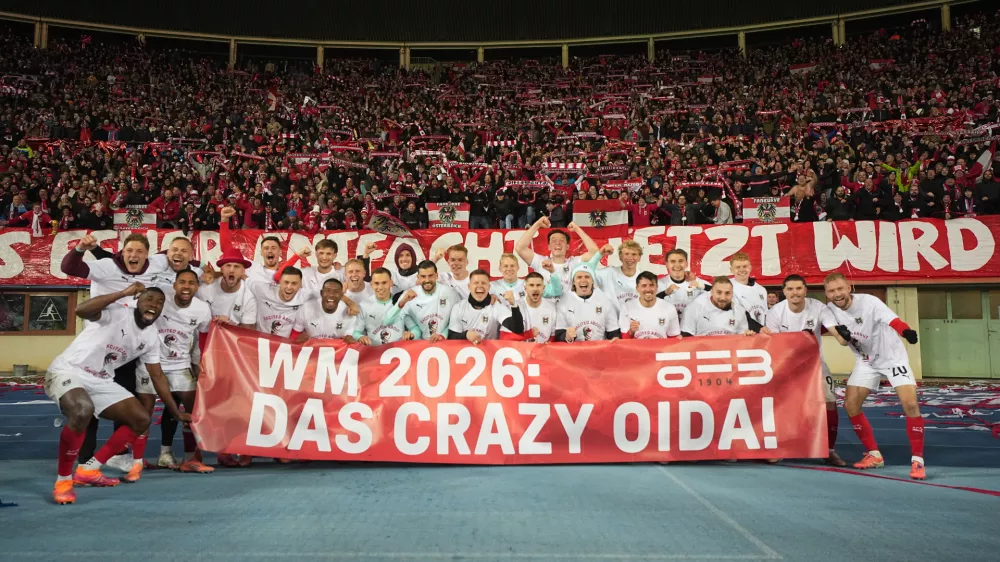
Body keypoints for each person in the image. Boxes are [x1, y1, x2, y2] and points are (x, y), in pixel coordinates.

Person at [43, 283, 189, 504]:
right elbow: (80, 310)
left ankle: (89, 470)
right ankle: (63, 481)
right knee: (83, 411)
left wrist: (174, 411)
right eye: (149, 299)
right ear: (137, 301)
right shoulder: (117, 311)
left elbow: (157, 376)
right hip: (69, 369)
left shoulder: (151, 338)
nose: (154, 305)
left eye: (160, 303)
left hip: (101, 380)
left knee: (141, 419)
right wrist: (122, 293)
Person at [821, 273, 925, 480]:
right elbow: (822, 330)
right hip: (866, 362)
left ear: (849, 287)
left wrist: (906, 332)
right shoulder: (829, 311)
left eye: (840, 289)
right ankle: (874, 454)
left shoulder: (869, 302)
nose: (837, 294)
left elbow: (892, 320)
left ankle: (918, 461)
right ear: (826, 294)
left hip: (892, 359)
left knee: (911, 404)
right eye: (832, 291)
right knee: (850, 405)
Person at [135, 269, 213, 475]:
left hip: (180, 364)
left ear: (197, 287)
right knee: (144, 415)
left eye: (191, 283)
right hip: (150, 363)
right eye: (182, 282)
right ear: (175, 285)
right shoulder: (160, 299)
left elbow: (202, 339)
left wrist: (199, 363)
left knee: (192, 411)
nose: (186, 287)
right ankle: (136, 461)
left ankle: (191, 459)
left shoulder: (203, 309)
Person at [765, 275, 845, 467]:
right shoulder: (776, 312)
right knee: (778, 406)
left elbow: (834, 329)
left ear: (805, 290)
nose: (795, 293)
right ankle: (779, 447)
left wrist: (844, 338)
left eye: (799, 288)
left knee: (830, 403)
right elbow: (773, 342)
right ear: (784, 291)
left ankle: (829, 450)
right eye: (790, 289)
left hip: (815, 363)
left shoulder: (818, 308)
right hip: (786, 365)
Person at [515, 217, 600, 296]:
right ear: (549, 246)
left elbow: (595, 252)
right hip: (545, 310)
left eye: (562, 240)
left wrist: (577, 229)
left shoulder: (574, 263)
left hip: (568, 310)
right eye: (554, 240)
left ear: (567, 246)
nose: (558, 243)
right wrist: (537, 224)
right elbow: (520, 248)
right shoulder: (541, 262)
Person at [386, 260, 462, 342]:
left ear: (436, 275)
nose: (427, 280)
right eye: (423, 276)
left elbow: (458, 320)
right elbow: (388, 321)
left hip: (447, 344)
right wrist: (412, 334)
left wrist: (443, 335)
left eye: (430, 276)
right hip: (422, 348)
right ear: (418, 277)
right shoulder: (409, 295)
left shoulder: (450, 292)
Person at [447, 269, 524, 343]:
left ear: (489, 287)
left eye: (483, 283)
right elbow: (451, 337)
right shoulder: (459, 307)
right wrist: (466, 335)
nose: (480, 285)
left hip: (490, 355)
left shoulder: (496, 306)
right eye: (476, 283)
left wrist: (514, 305)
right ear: (469, 286)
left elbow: (518, 329)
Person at [353, 268, 420, 345]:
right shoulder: (364, 305)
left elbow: (415, 329)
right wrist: (360, 337)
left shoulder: (401, 302)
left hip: (398, 352)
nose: (380, 287)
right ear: (371, 285)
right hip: (375, 353)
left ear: (391, 283)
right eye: (376, 283)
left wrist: (412, 335)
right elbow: (356, 332)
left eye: (384, 283)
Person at [554, 264, 621, 342]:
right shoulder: (564, 301)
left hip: (599, 349)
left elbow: (613, 331)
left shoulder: (604, 299)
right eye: (579, 277)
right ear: (574, 282)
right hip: (574, 351)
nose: (583, 280)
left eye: (587, 277)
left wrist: (616, 339)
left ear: (593, 281)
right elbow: (559, 334)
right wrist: (566, 336)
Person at [680, 277, 760, 337]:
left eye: (727, 293)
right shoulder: (694, 308)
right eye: (719, 292)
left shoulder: (740, 311)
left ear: (732, 294)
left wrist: (748, 336)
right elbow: (686, 339)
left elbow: (741, 338)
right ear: (711, 292)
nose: (723, 298)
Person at [291, 279, 359, 343]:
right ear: (321, 293)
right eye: (328, 290)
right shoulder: (306, 308)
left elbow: (347, 341)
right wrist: (297, 339)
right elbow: (295, 334)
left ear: (341, 295)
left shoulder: (349, 314)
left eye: (336, 291)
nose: (331, 295)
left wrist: (349, 340)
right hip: (311, 351)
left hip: (335, 353)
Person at [619, 272, 681, 339]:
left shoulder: (669, 308)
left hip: (661, 349)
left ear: (657, 287)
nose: (648, 289)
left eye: (651, 285)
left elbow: (674, 339)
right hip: (637, 349)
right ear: (637, 288)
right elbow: (624, 341)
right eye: (644, 286)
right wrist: (631, 332)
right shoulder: (626, 307)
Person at [501, 272, 558, 343]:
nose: (535, 288)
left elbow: (553, 336)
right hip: (522, 352)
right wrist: (528, 334)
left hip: (543, 352)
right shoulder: (515, 307)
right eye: (531, 285)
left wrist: (549, 344)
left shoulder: (551, 308)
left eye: (538, 285)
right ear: (525, 288)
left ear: (543, 288)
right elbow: (504, 337)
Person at [657, 249, 710, 321]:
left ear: (686, 263)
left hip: (691, 329)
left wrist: (703, 286)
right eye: (673, 261)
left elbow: (718, 293)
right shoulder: (658, 284)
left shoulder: (698, 283)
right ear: (667, 264)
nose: (677, 265)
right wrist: (664, 293)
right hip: (667, 328)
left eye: (680, 261)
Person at [594, 240, 643, 316]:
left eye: (634, 254)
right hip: (611, 324)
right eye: (626, 254)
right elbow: (586, 271)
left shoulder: (644, 278)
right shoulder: (608, 273)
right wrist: (599, 255)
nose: (630, 257)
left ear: (639, 258)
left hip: (635, 324)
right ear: (620, 257)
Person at [490, 252, 561, 301]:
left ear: (518, 267)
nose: (509, 269)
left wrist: (552, 272)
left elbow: (556, 292)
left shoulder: (529, 285)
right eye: (505, 266)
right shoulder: (492, 286)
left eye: (512, 266)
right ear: (500, 268)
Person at [728, 252, 769, 326]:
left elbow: (765, 315)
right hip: (739, 333)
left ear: (750, 268)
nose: (742, 270)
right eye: (738, 267)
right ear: (731, 270)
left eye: (745, 266)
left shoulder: (761, 290)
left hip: (760, 333)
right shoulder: (727, 287)